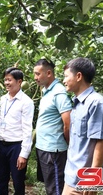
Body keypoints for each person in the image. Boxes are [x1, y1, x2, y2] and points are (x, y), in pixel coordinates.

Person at [62, 57, 103, 195]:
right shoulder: (77, 103)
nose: (64, 80)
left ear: (78, 76)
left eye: (66, 76)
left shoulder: (97, 104)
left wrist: (92, 179)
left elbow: (101, 142)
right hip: (72, 175)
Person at [0, 67, 34, 195]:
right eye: (5, 80)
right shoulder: (2, 99)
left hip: (16, 146)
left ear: (19, 81)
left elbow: (28, 129)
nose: (6, 83)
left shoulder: (26, 102)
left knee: (17, 180)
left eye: (9, 80)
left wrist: (24, 154)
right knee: (1, 178)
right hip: (2, 144)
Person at [33, 59, 72, 195]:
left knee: (56, 188)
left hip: (53, 151)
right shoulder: (47, 91)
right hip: (44, 147)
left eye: (38, 74)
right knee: (50, 186)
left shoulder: (59, 93)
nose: (35, 78)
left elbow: (68, 123)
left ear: (48, 73)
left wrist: (67, 143)